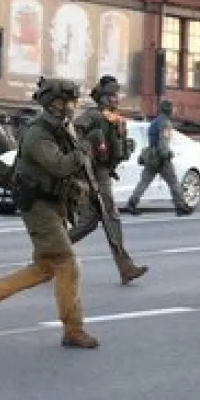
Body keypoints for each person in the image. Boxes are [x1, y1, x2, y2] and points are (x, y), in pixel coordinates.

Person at [0, 78, 97, 348]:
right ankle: (73, 329)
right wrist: (83, 151)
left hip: (54, 204)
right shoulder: (38, 133)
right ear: (48, 104)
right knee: (67, 263)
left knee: (45, 267)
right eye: (61, 102)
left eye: (70, 102)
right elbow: (60, 166)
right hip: (38, 207)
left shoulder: (61, 129)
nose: (67, 107)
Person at [68, 75, 147, 285]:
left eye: (116, 95)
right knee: (110, 214)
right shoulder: (93, 116)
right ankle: (125, 266)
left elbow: (119, 150)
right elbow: (74, 135)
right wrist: (91, 147)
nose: (116, 99)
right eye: (111, 96)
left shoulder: (115, 120)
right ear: (102, 98)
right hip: (91, 173)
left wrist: (124, 144)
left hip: (103, 172)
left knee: (90, 222)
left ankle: (51, 250)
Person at [126, 99, 189, 215]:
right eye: (172, 109)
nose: (173, 111)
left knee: (144, 182)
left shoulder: (154, 122)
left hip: (151, 157)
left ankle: (132, 203)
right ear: (168, 110)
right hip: (161, 158)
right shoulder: (165, 123)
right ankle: (181, 206)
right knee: (173, 182)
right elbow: (163, 141)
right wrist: (165, 155)